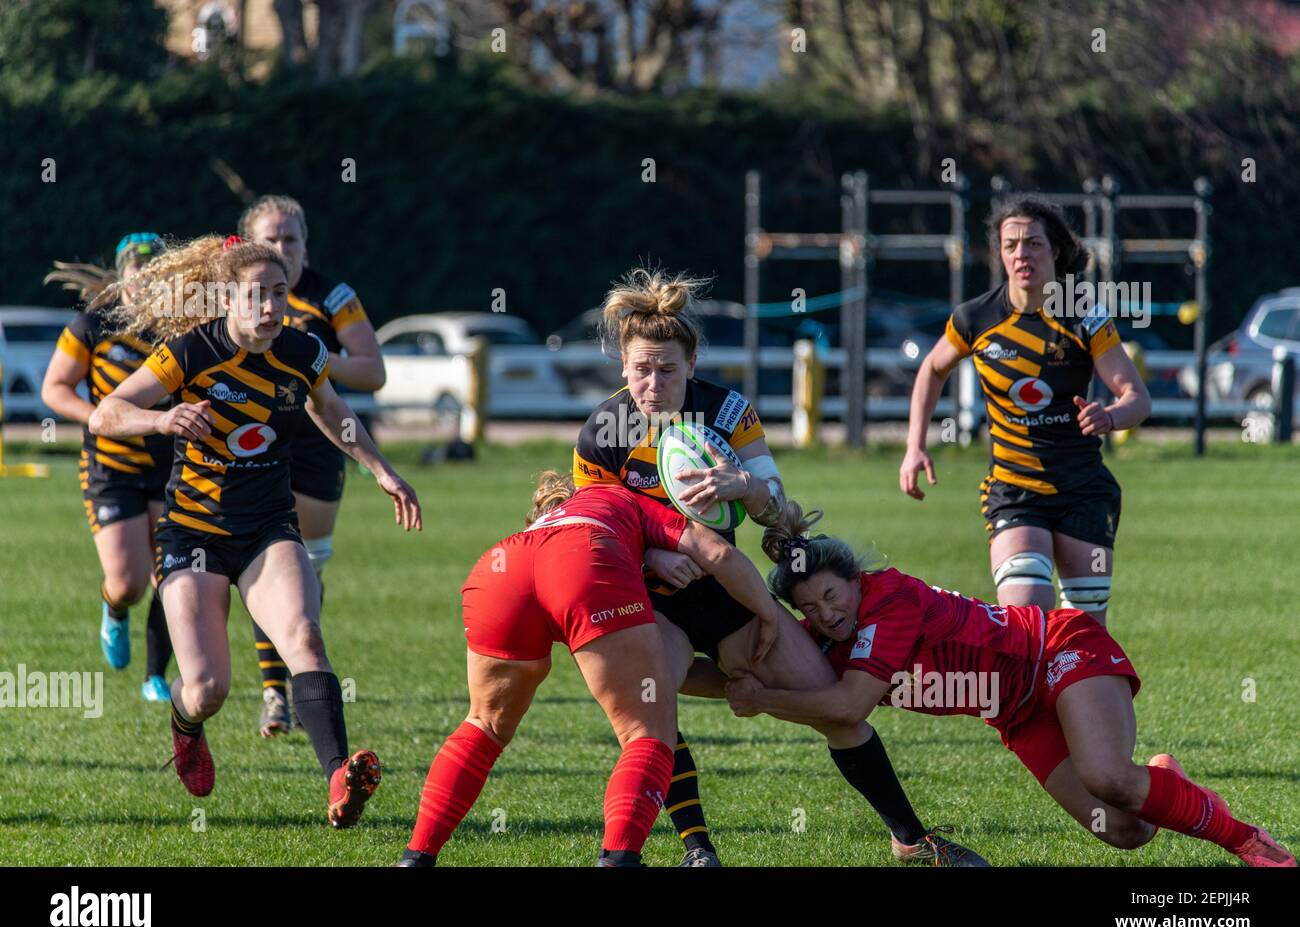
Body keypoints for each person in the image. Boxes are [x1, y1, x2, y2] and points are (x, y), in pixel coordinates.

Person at [574, 268, 977, 866]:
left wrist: (745, 486)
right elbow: (592, 536)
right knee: (651, 715)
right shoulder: (602, 433)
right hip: (650, 599)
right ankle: (698, 849)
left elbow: (781, 510)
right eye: (641, 370)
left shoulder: (728, 410)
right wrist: (653, 553)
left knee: (834, 706)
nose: (653, 384)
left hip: (726, 588)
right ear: (622, 369)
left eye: (667, 370)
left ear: (692, 365)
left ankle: (912, 840)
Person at [725, 502, 1295, 867]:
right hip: (1017, 714)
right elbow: (758, 677)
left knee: (1107, 776)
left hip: (1057, 651)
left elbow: (849, 706)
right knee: (1125, 830)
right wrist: (687, 679)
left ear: (856, 579)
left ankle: (1250, 842)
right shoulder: (829, 636)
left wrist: (762, 700)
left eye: (832, 595)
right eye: (810, 608)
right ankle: (1167, 780)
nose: (827, 614)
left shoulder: (889, 598)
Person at [88, 234, 421, 827]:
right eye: (255, 296)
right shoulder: (190, 352)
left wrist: (381, 470)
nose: (270, 307)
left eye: (279, 293)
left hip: (269, 526)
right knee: (207, 687)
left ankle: (339, 778)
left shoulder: (302, 351)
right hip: (193, 534)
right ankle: (185, 723)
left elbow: (331, 410)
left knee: (305, 637)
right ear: (226, 299)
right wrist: (161, 419)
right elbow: (105, 413)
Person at [399, 473, 781, 867]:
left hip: (503, 568)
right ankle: (618, 858)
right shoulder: (621, 496)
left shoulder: (552, 519)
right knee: (645, 732)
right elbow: (717, 553)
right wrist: (769, 615)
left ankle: (415, 857)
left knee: (484, 725)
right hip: (581, 558)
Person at [900, 194, 1151, 625]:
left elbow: (1137, 398)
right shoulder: (975, 318)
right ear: (999, 254)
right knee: (1025, 614)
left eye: (1033, 243)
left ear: (1055, 250)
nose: (1021, 254)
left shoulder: (1085, 316)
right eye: (1010, 245)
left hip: (1083, 490)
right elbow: (932, 369)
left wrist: (1109, 417)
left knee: (1084, 631)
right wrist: (914, 446)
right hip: (1015, 490)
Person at [237, 195, 387, 736]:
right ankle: (275, 692)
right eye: (271, 239)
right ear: (251, 245)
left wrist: (310, 359)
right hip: (259, 438)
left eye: (291, 238)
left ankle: (304, 670)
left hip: (322, 442)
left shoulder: (334, 296)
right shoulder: (234, 294)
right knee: (268, 560)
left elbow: (373, 372)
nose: (282, 248)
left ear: (305, 243)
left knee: (308, 570)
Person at [42, 233, 175, 700]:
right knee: (128, 582)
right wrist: (100, 418)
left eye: (157, 271)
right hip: (110, 468)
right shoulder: (93, 324)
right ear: (123, 275)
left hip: (169, 466)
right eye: (139, 269)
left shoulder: (180, 326)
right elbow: (55, 388)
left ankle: (155, 675)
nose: (147, 278)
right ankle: (114, 609)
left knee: (173, 574)